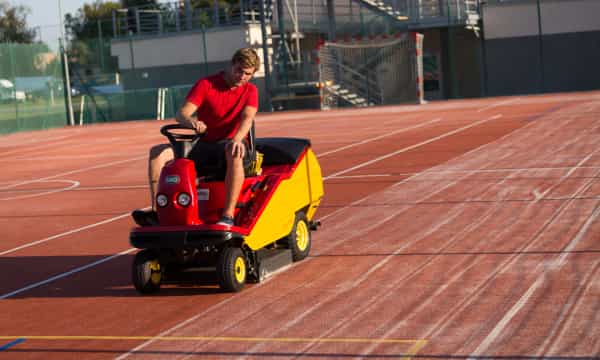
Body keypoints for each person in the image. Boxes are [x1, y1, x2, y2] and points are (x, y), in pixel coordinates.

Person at [133, 47, 260, 226]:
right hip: (204, 143)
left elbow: (247, 118)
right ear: (232, 64)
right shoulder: (206, 84)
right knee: (157, 153)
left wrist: (237, 139)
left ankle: (227, 216)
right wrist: (191, 122)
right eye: (239, 70)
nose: (242, 76)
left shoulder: (251, 91)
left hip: (230, 143)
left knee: (234, 151)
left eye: (248, 74)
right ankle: (158, 212)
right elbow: (182, 113)